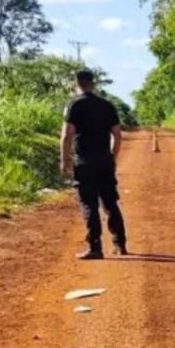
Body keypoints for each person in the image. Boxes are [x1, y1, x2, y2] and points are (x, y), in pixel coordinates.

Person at [60, 69, 128, 260]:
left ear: (76, 83)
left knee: (89, 204)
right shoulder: (107, 105)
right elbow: (117, 135)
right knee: (110, 202)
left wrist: (64, 160)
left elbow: (67, 136)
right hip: (105, 161)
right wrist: (112, 157)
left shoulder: (74, 105)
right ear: (93, 82)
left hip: (84, 162)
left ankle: (95, 247)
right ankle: (120, 244)